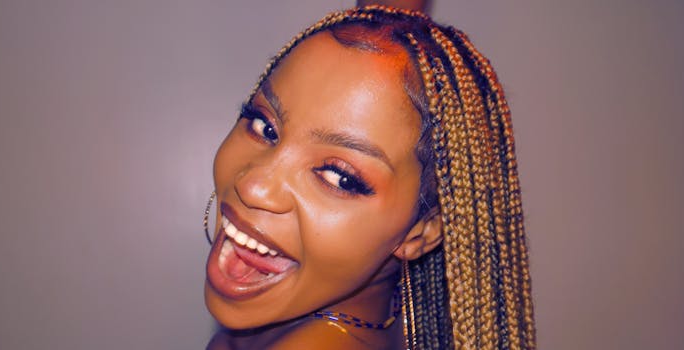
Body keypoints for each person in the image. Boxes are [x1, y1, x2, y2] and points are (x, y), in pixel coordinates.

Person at [203, 5, 535, 349]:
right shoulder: (377, 320)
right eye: (264, 126)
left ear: (422, 231)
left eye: (339, 177)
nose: (254, 185)